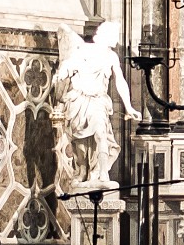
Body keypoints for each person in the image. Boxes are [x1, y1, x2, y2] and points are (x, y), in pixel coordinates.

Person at [53, 20, 139, 195]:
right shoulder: (83, 50)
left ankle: (102, 172)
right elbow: (68, 66)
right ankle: (83, 169)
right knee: (81, 147)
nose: (116, 40)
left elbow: (120, 81)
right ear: (106, 35)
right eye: (114, 36)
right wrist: (63, 73)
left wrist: (129, 107)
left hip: (99, 101)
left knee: (101, 134)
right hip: (79, 100)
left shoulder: (111, 56)